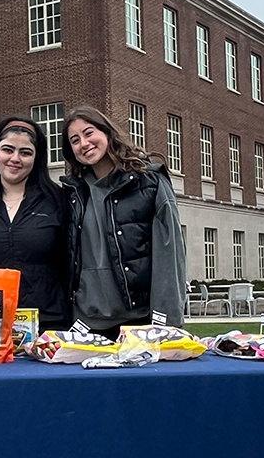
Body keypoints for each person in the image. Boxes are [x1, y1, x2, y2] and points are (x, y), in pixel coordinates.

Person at [60, 105, 185, 341]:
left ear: (106, 133)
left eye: (89, 133)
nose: (83, 144)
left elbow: (170, 257)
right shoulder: (72, 194)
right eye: (74, 140)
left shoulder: (150, 182)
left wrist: (168, 325)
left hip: (138, 323)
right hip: (86, 324)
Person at [0, 116, 69, 332]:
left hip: (48, 325)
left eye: (26, 152)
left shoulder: (59, 202)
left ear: (37, 158)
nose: (15, 158)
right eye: (8, 149)